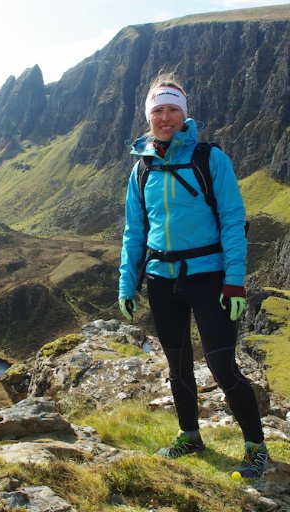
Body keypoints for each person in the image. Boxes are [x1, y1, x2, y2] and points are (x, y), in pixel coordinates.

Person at [118, 73, 269, 478]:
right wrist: (127, 282)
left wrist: (234, 280)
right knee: (178, 364)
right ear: (148, 117)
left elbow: (233, 221)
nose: (165, 118)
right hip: (161, 280)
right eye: (158, 111)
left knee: (222, 367)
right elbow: (135, 230)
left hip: (209, 278)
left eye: (172, 110)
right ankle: (190, 436)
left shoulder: (209, 159)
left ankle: (256, 447)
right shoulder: (141, 169)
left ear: (184, 115)